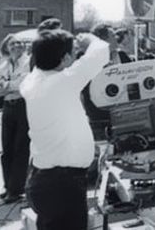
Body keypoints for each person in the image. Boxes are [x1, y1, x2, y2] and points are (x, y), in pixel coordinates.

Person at [21, 30, 109, 230]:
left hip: (44, 178)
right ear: (65, 58)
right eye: (73, 52)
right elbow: (101, 52)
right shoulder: (63, 82)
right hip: (62, 185)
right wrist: (89, 38)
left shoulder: (31, 82)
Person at [0, 35, 31, 202]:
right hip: (8, 107)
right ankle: (8, 185)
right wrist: (10, 85)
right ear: (6, 47)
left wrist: (6, 85)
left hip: (23, 106)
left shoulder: (28, 62)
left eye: (19, 43)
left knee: (20, 147)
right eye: (12, 43)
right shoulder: (3, 65)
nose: (16, 45)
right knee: (6, 148)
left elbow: (24, 85)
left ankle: (16, 190)